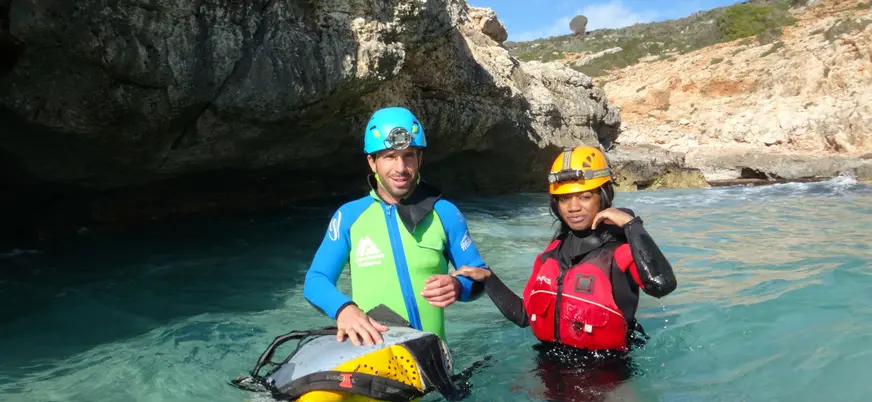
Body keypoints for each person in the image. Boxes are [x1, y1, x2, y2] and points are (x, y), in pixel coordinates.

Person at [452, 145, 678, 401]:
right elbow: (526, 315)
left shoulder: (621, 252)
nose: (573, 207)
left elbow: (661, 284)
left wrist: (631, 225)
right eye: (564, 198)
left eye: (584, 196)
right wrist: (489, 279)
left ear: (603, 196)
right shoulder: (550, 255)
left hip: (607, 376)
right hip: (549, 370)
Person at [302, 106, 490, 348]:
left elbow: (480, 274)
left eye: (408, 155)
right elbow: (316, 280)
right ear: (372, 162)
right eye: (390, 156)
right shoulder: (349, 216)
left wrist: (458, 285)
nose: (400, 168)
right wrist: (344, 309)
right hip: (373, 359)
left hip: (432, 363)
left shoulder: (445, 213)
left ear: (420, 158)